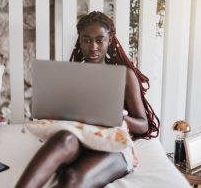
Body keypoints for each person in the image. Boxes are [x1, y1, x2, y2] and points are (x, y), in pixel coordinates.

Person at [15, 11, 160, 188]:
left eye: (100, 40)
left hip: (111, 141)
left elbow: (143, 125)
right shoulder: (69, 75)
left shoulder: (124, 76)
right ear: (80, 41)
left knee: (71, 177)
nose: (93, 47)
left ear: (110, 40)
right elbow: (47, 111)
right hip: (78, 137)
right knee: (63, 138)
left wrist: (117, 116)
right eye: (87, 40)